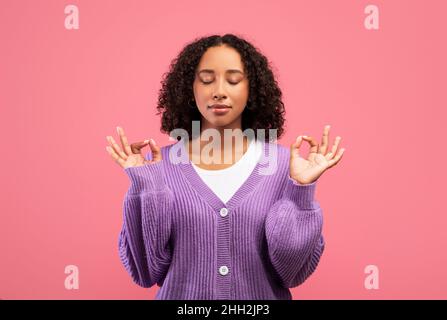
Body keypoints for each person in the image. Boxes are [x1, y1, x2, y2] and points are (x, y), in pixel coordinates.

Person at [105, 34, 345, 299]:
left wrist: (300, 189)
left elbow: (291, 273)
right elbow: (145, 272)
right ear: (189, 88)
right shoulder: (159, 167)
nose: (219, 90)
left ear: (251, 89)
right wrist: (145, 187)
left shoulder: (284, 166)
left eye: (233, 80)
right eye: (206, 79)